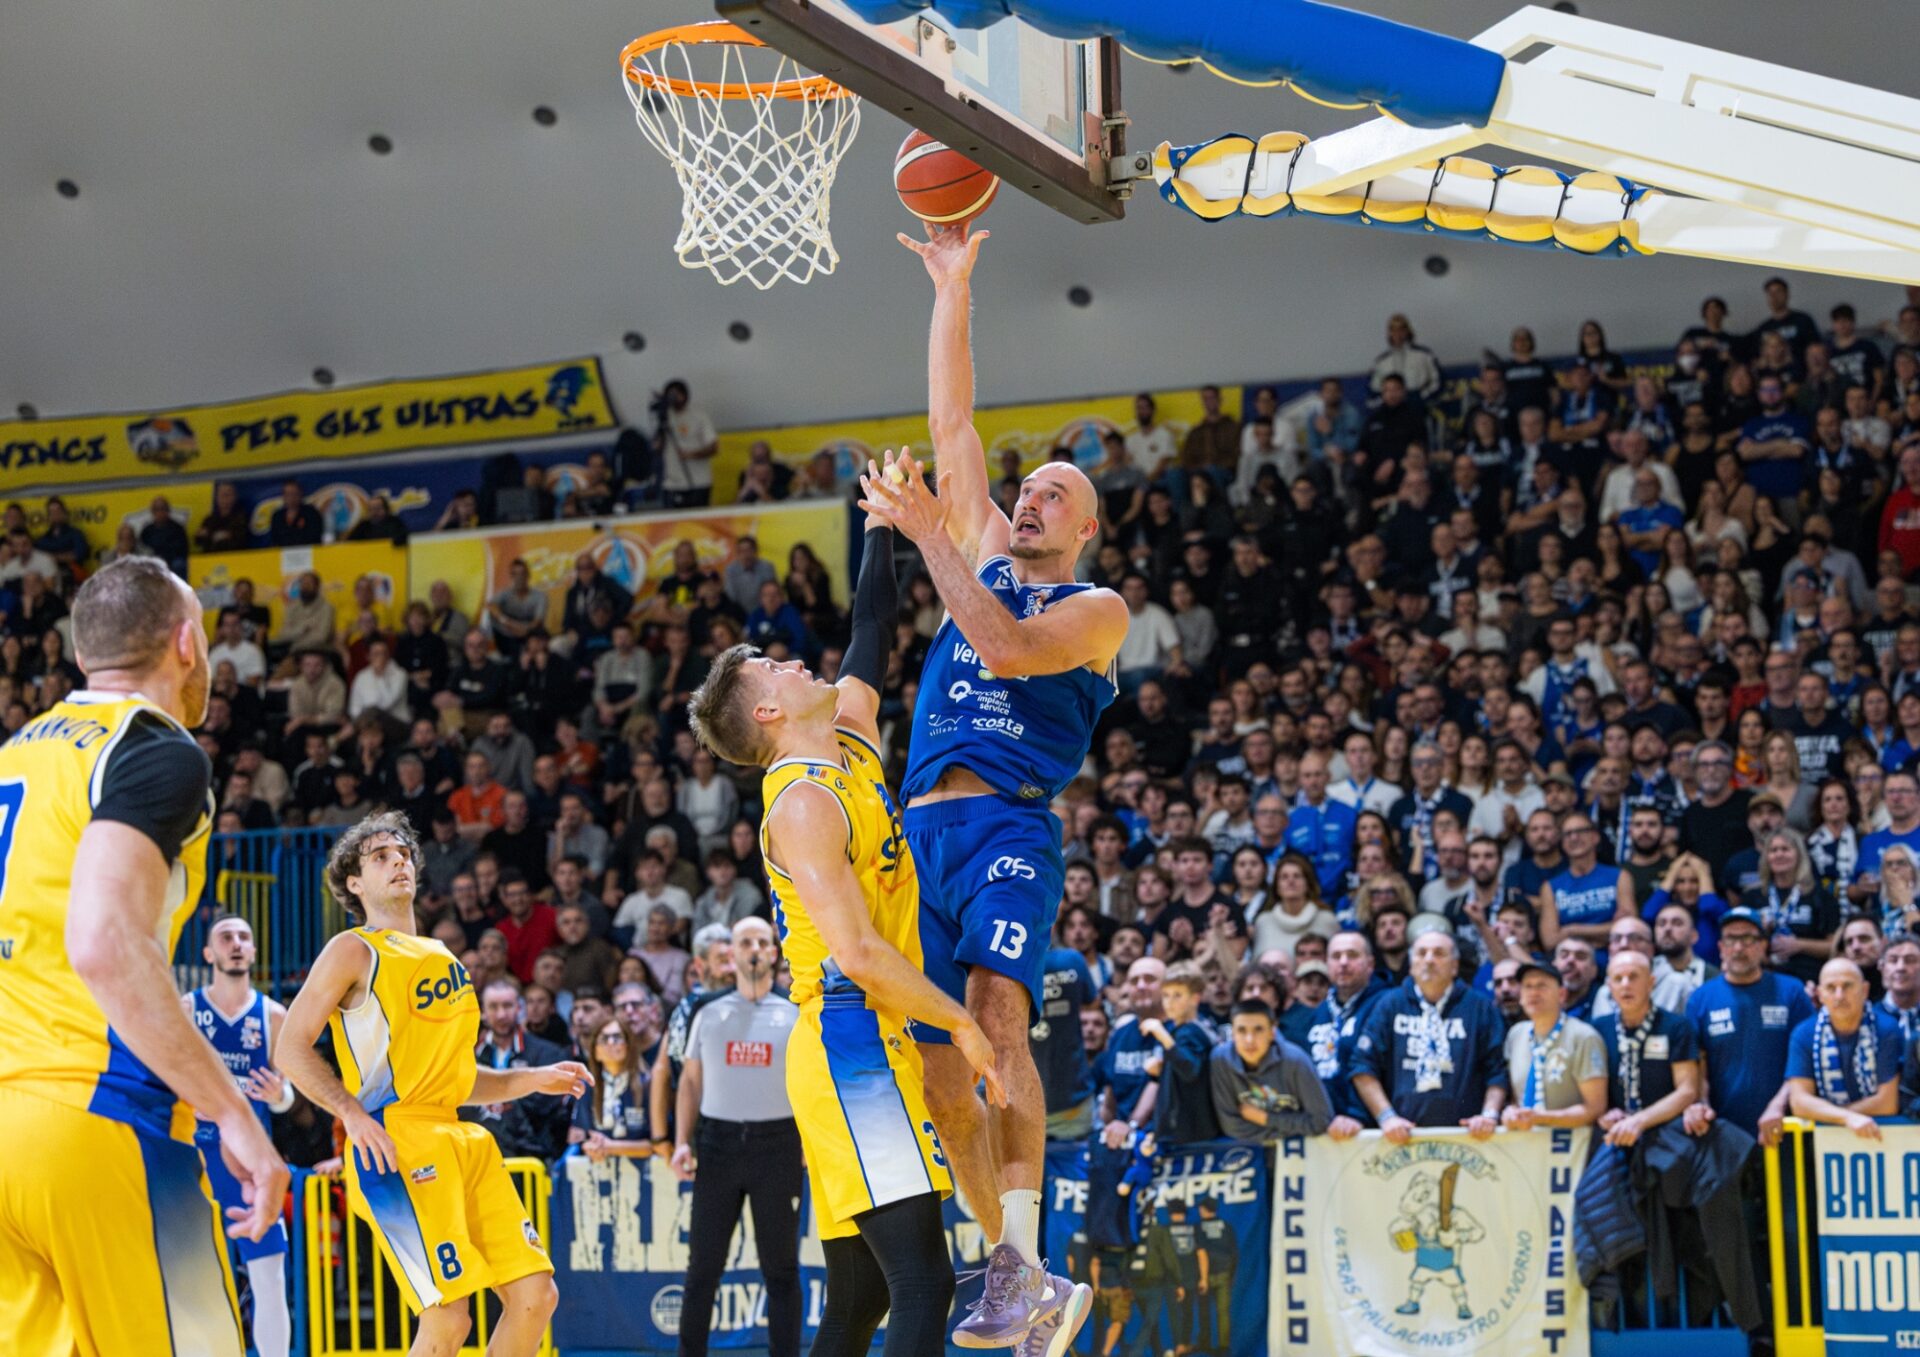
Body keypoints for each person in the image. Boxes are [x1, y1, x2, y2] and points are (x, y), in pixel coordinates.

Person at [866, 223, 1127, 1348]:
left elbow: (1009, 652)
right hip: (914, 834)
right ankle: (1009, 1271)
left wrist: (931, 539)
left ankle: (1020, 1246)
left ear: (1088, 525)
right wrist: (953, 285)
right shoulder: (972, 540)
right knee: (935, 1074)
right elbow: (953, 422)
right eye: (1024, 489)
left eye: (1054, 492)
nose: (1028, 499)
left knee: (994, 1017)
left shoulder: (1098, 611)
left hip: (1006, 829)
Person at [685, 504, 1024, 1357]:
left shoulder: (850, 739)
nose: (798, 661)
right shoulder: (802, 803)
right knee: (924, 1280)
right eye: (774, 666)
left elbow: (872, 623)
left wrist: (878, 525)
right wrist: (958, 1020)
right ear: (765, 714)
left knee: (864, 1292)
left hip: (870, 1037)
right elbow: (860, 954)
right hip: (847, 1036)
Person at [0, 557, 285, 1356]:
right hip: (99, 1120)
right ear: (187, 642)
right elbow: (102, 940)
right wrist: (235, 1112)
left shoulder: (15, 755)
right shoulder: (155, 750)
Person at [276, 814, 590, 1355]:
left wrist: (531, 1079)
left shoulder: (445, 958)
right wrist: (350, 1114)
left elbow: (458, 1079)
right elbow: (289, 1048)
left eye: (402, 853)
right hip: (395, 1142)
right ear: (354, 883)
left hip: (458, 1136)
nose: (398, 860)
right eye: (380, 856)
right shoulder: (353, 950)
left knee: (537, 1295)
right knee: (448, 1321)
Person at [672, 918, 803, 1357]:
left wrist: (808, 1141)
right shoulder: (706, 1009)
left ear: (773, 953)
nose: (753, 948)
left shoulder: (795, 1011)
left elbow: (810, 1083)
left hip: (779, 1147)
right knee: (702, 1270)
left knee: (781, 1270)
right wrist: (681, 1141)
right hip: (717, 1146)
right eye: (744, 941)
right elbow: (690, 1081)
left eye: (761, 942)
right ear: (730, 952)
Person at [186, 914, 295, 1357]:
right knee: (193, 1280)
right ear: (209, 954)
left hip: (251, 1168)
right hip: (194, 1161)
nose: (236, 944)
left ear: (253, 952)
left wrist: (281, 1095)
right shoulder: (186, 1009)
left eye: (244, 938)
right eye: (226, 937)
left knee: (270, 1278)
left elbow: (287, 1095)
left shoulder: (273, 1015)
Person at [1351, 931, 1508, 1142]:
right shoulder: (1390, 1004)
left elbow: (1497, 1069)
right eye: (1421, 953)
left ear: (1454, 965)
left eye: (1439, 953)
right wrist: (1387, 1117)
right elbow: (1363, 1066)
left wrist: (1489, 1115)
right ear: (1411, 964)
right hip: (1402, 1136)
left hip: (1468, 1137)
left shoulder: (1479, 1007)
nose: (1429, 960)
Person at [1684, 907, 1814, 1148]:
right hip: (1724, 1133)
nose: (1739, 948)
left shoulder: (1791, 991)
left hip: (1784, 1127)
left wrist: (1779, 1105)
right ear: (1721, 947)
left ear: (1763, 945)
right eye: (1731, 939)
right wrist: (1700, 1102)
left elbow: (1806, 1060)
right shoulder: (1701, 999)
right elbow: (1697, 1063)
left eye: (1748, 939)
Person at [1594, 952, 1702, 1148]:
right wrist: (1604, 1113)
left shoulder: (1676, 1026)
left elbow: (1687, 1091)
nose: (1626, 984)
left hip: (1666, 1133)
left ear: (1651, 982)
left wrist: (1639, 1121)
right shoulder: (1597, 1029)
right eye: (1618, 979)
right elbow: (1592, 1090)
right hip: (1616, 1132)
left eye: (1633, 976)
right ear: (1610, 987)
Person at [1784, 958, 1902, 1136]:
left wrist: (1831, 1115)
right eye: (1831, 988)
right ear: (1820, 994)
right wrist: (1847, 1118)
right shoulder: (1803, 1033)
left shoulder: (1887, 1028)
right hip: (1825, 1146)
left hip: (1885, 1137)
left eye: (1847, 986)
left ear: (1864, 990)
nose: (1839, 995)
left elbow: (1887, 1102)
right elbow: (1799, 1101)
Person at [470, 978, 574, 1162]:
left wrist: (498, 1100)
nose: (501, 1014)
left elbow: (545, 1110)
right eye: (493, 1007)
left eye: (507, 1006)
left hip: (532, 1159)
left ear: (519, 1008)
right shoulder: (469, 1056)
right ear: (483, 1012)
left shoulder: (547, 1054)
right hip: (479, 1159)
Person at [1499, 961, 1607, 1130]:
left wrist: (1543, 1118)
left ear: (1562, 994)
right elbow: (1516, 1097)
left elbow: (1595, 1108)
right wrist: (1511, 1112)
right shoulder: (1516, 1034)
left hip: (1571, 1145)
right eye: (1528, 986)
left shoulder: (1583, 1036)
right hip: (1526, 1143)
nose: (1533, 993)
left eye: (1542, 986)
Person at [1210, 998, 1332, 1142]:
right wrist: (1293, 1131)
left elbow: (1321, 1121)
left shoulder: (1296, 1061)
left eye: (1258, 1030)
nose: (1249, 1040)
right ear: (1232, 1033)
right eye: (1241, 1030)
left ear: (1272, 1032)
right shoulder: (1220, 1060)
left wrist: (1265, 1118)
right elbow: (1233, 1128)